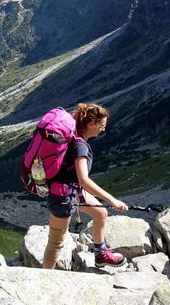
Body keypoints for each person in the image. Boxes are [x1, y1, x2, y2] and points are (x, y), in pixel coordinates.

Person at [42, 103, 129, 269]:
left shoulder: (75, 139)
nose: (103, 129)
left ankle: (101, 254)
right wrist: (113, 200)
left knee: (100, 213)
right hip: (62, 197)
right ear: (91, 123)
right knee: (56, 243)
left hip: (71, 191)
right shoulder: (80, 146)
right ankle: (44, 277)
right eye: (101, 125)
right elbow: (84, 180)